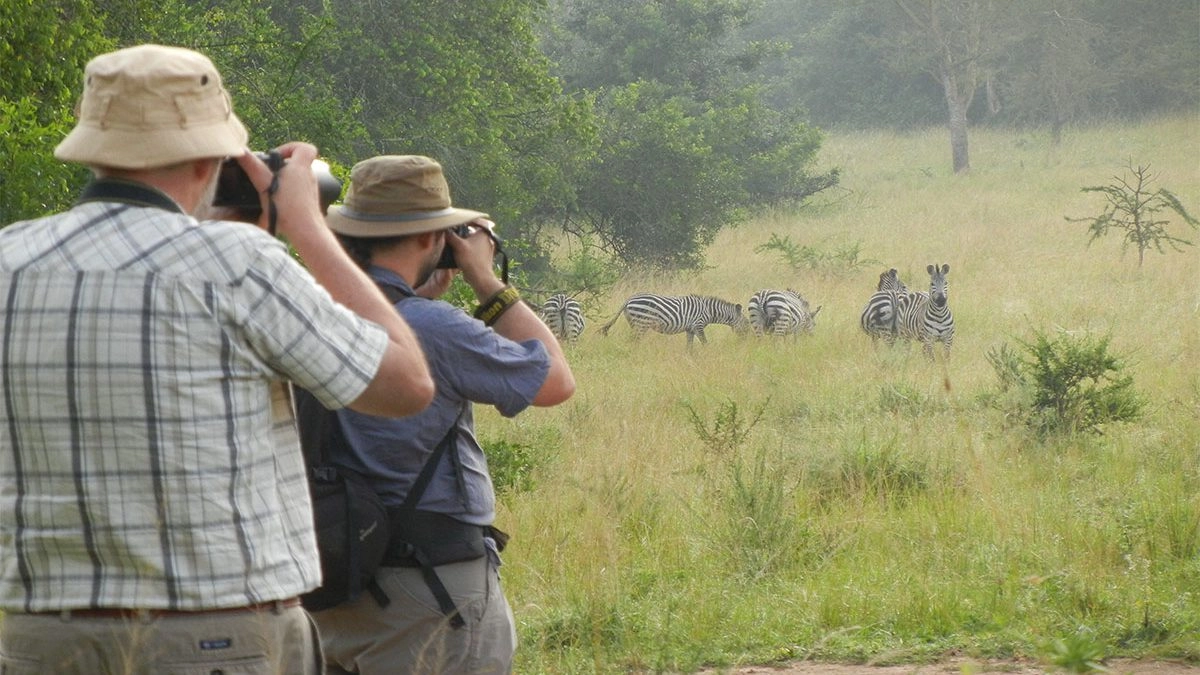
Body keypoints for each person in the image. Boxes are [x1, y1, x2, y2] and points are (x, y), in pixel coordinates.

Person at [0, 45, 436, 674]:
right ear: (215, 157)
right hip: (213, 632)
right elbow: (404, 385)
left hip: (42, 636)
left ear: (93, 146)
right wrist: (307, 229)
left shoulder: (12, 259)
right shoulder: (235, 266)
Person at [309, 155, 576, 674]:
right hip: (429, 587)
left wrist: (414, 288)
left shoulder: (310, 311)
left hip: (329, 582)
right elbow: (554, 382)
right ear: (432, 238)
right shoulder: (434, 327)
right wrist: (486, 281)